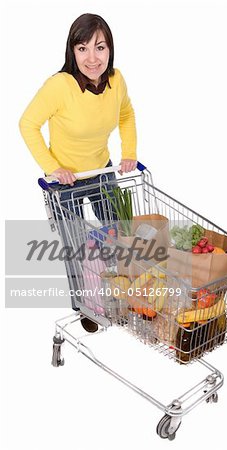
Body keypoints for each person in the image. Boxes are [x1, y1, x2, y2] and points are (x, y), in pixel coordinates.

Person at [19, 13, 137, 332]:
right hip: (65, 183)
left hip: (100, 171)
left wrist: (129, 154)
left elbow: (126, 114)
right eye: (82, 48)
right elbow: (27, 124)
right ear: (72, 51)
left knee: (120, 234)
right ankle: (86, 306)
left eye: (100, 47)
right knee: (76, 246)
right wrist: (53, 168)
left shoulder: (117, 81)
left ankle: (121, 294)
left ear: (110, 48)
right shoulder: (60, 86)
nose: (92, 58)